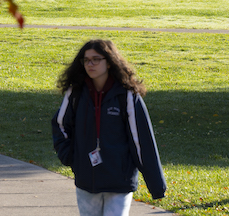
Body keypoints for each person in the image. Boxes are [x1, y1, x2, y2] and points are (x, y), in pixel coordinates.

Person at [51, 40, 167, 216]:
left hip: (119, 180)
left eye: (96, 59)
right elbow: (60, 126)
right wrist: (72, 157)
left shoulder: (126, 95)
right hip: (87, 180)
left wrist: (156, 185)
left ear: (110, 62)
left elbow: (141, 142)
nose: (90, 64)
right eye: (86, 60)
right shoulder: (75, 93)